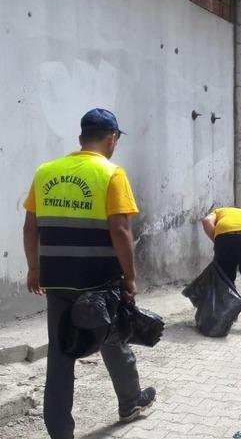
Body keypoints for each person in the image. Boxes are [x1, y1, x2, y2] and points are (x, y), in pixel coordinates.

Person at [22, 108, 155, 438]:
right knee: (112, 334)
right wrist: (130, 276)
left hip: (57, 280)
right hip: (98, 280)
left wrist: (34, 268)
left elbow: (30, 225)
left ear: (81, 137)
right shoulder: (111, 173)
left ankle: (60, 431)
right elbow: (120, 229)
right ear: (111, 138)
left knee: (60, 354)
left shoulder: (45, 172)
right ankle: (129, 403)